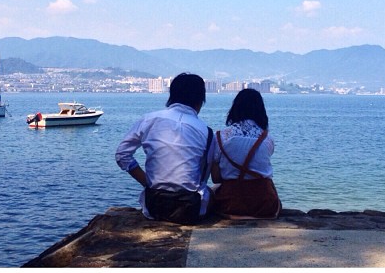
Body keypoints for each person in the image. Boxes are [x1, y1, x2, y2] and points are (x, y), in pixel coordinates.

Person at [115, 73, 214, 224]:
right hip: (190, 211)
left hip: (154, 206)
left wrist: (147, 182)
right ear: (201, 101)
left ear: (171, 96)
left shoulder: (148, 120)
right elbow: (203, 178)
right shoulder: (206, 132)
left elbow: (122, 155)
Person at [211, 89, 281, 219]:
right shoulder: (267, 139)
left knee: (213, 189)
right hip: (263, 204)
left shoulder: (220, 137)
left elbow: (216, 178)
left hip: (229, 203)